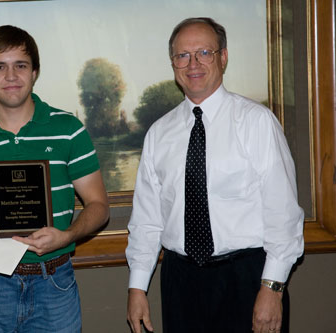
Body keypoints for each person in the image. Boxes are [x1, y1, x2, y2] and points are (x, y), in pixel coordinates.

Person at [126, 17, 304, 333]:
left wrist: (272, 287)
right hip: (180, 282)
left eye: (204, 53)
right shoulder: (159, 134)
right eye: (183, 55)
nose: (192, 63)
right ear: (173, 64)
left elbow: (284, 215)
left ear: (222, 57)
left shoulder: (257, 123)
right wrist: (137, 287)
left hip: (247, 278)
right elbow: (147, 220)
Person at [0, 25, 109, 332]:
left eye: (21, 66)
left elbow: (99, 206)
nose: (11, 77)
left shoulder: (69, 129)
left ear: (35, 72)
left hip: (53, 281)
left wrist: (66, 236)